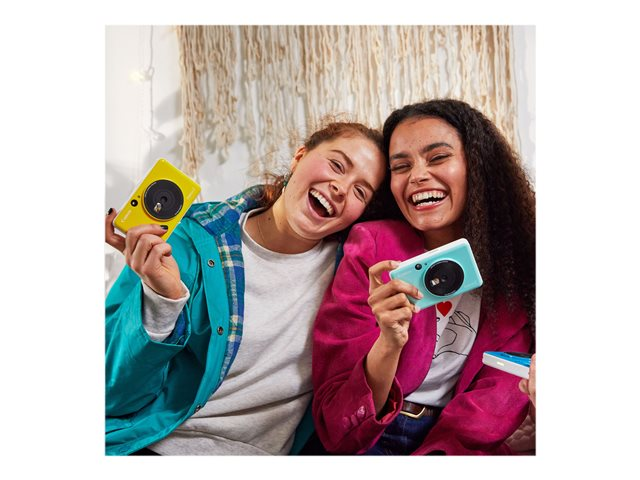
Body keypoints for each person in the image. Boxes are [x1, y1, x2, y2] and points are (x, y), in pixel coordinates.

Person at [104, 120, 386, 455]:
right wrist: (162, 301)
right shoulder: (182, 239)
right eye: (337, 165)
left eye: (360, 192)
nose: (341, 188)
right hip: (156, 448)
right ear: (299, 157)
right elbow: (112, 394)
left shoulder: (354, 276)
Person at [311, 99, 536, 455]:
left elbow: (495, 403)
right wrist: (388, 344)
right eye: (401, 166)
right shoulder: (372, 245)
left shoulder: (516, 268)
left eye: (438, 157)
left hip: (453, 443)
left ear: (478, 166)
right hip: (371, 435)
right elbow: (336, 421)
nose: (416, 175)